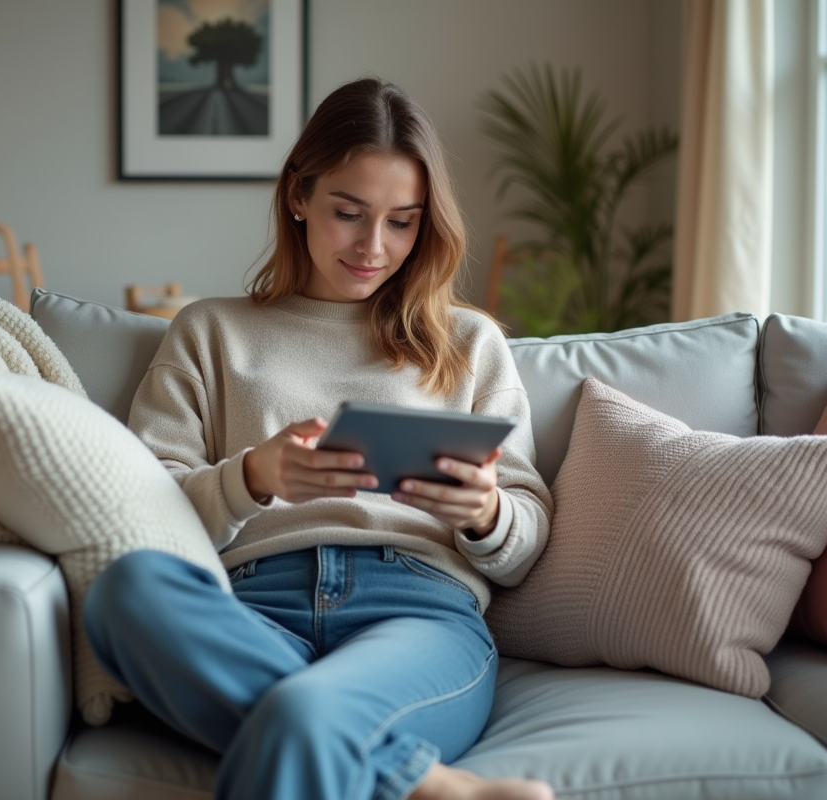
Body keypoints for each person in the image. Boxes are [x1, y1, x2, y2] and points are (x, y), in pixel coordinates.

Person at [84, 77, 555, 800]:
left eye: (403, 221)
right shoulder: (211, 332)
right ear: (298, 195)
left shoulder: (469, 343)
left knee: (302, 712)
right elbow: (142, 519)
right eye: (349, 213)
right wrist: (252, 478)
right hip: (250, 608)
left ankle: (365, 751)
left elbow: (522, 546)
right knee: (124, 592)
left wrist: (487, 512)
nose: (375, 246)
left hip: (417, 609)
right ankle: (421, 782)